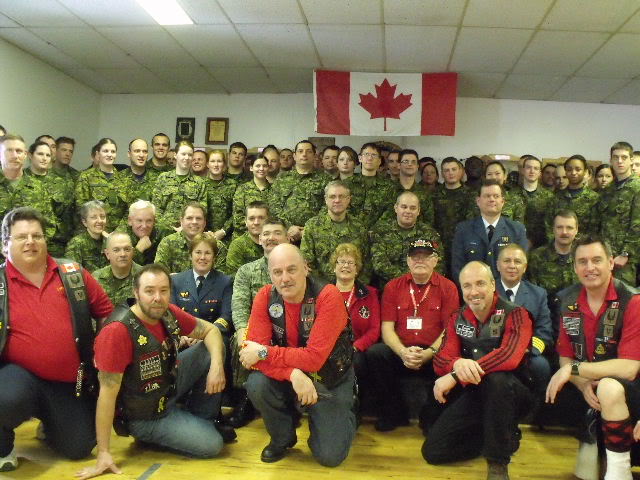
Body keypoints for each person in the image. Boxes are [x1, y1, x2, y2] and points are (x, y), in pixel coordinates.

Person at [77, 264, 229, 479]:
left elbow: (211, 330)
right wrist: (103, 453)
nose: (157, 297)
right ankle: (176, 428)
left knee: (212, 348)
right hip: (144, 415)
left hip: (167, 384)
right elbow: (107, 396)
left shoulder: (167, 313)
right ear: (136, 293)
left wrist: (216, 366)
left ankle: (199, 419)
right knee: (212, 445)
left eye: (164, 290)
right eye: (149, 291)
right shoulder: (117, 332)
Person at [0, 207, 113, 472]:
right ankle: (3, 446)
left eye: (36, 235)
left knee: (79, 448)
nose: (30, 242)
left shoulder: (72, 273)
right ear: (6, 244)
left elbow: (108, 313)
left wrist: (103, 349)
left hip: (67, 382)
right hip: (16, 377)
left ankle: (48, 422)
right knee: (5, 399)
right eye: (21, 237)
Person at [240, 244, 355, 466]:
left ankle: (348, 409)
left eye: (291, 270)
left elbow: (313, 359)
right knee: (256, 383)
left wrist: (264, 351)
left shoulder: (328, 295)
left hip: (330, 376)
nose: (285, 278)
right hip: (292, 374)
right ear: (270, 275)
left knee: (330, 457)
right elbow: (250, 356)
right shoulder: (265, 297)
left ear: (305, 268)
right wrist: (293, 374)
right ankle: (283, 437)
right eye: (277, 272)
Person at [423, 261, 533, 480]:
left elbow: (508, 357)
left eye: (480, 283)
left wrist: (455, 375)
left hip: (513, 394)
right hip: (476, 392)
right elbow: (441, 358)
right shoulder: (458, 317)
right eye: (467, 286)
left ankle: (498, 462)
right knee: (433, 452)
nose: (474, 292)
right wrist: (457, 364)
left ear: (493, 285)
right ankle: (500, 435)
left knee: (498, 380)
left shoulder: (517, 314)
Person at [546, 235, 640, 480]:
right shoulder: (567, 301)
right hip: (591, 389)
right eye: (583, 262)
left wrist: (575, 370)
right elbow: (565, 358)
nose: (590, 268)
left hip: (633, 389)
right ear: (575, 267)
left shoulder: (633, 300)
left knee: (609, 387)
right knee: (585, 474)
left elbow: (630, 367)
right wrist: (582, 382)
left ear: (610, 262)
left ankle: (620, 473)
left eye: (596, 260)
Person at [367, 238, 459, 431]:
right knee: (376, 354)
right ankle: (393, 413)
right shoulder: (393, 287)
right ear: (408, 261)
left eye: (425, 257)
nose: (420, 260)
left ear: (435, 260)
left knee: (449, 357)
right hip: (402, 351)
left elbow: (449, 330)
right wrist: (402, 352)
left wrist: (429, 353)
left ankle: (430, 416)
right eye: (415, 256)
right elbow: (387, 329)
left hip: (432, 353)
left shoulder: (448, 288)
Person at [228, 217, 290, 428]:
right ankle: (245, 399)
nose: (271, 238)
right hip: (256, 331)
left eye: (276, 233)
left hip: (290, 331)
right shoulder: (246, 271)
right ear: (259, 239)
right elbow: (239, 306)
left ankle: (287, 403)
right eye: (266, 234)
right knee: (241, 341)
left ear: (287, 238)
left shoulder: (296, 268)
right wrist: (243, 331)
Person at [496, 244, 553, 404]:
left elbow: (544, 331)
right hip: (492, 351)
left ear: (525, 267)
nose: (512, 266)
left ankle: (534, 410)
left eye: (517, 261)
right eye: (507, 261)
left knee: (541, 366)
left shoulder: (538, 294)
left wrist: (526, 349)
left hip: (526, 353)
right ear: (498, 265)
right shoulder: (486, 290)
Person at [331, 243, 380, 406]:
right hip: (330, 348)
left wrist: (355, 347)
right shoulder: (323, 292)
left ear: (357, 269)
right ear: (334, 267)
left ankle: (355, 406)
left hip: (357, 349)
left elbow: (374, 330)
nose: (345, 266)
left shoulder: (370, 294)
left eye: (350, 262)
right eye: (341, 261)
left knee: (356, 362)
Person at [451, 179, 528, 282]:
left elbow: (521, 268)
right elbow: (458, 269)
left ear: (502, 201)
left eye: (496, 196)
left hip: (506, 294)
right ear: (478, 201)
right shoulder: (463, 230)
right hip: (474, 293)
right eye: (487, 196)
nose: (492, 199)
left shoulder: (517, 230)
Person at [300, 180, 370, 283]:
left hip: (352, 288)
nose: (337, 200)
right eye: (332, 197)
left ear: (348, 199)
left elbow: (366, 262)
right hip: (321, 289)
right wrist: (321, 288)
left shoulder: (359, 227)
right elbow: (307, 263)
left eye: (341, 196)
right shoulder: (312, 226)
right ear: (326, 199)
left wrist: (357, 286)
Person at [372, 191, 444, 287]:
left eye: (413, 208)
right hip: (391, 287)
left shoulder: (429, 233)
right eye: (404, 207)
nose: (408, 211)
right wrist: (407, 279)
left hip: (423, 287)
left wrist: (417, 279)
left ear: (418, 211)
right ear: (396, 208)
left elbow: (438, 263)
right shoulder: (381, 231)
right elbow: (379, 264)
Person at [596, 141, 640, 286]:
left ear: (631, 160)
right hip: (605, 255)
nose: (619, 161)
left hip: (625, 260)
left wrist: (626, 254)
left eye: (624, 157)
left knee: (623, 300)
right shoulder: (608, 189)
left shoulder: (637, 188)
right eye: (616, 157)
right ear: (610, 161)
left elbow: (637, 225)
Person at [171, 233, 233, 336]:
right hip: (182, 338)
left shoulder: (225, 282)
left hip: (213, 339)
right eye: (198, 252)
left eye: (208, 253)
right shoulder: (176, 281)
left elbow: (226, 316)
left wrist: (204, 335)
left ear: (214, 257)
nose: (202, 257)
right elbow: (171, 316)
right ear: (190, 255)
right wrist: (182, 336)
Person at [527, 210, 580, 329]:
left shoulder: (584, 257)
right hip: (547, 322)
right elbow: (533, 295)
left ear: (576, 230)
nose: (564, 232)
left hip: (580, 322)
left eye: (569, 228)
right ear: (553, 229)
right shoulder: (537, 257)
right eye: (560, 227)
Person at [268, 140, 328, 243]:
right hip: (285, 235)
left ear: (314, 156)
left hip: (314, 236)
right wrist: (289, 227)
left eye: (308, 151)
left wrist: (307, 230)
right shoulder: (282, 178)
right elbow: (274, 206)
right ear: (295, 156)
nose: (304, 154)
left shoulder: (325, 179)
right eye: (300, 151)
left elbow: (327, 207)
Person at [152, 140, 209, 233]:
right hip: (163, 232)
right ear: (175, 155)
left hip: (190, 232)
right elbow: (156, 208)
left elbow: (202, 211)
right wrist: (169, 228)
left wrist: (185, 228)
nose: (186, 158)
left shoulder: (199, 183)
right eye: (183, 154)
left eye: (190, 155)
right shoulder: (163, 178)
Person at [154, 202, 227, 274]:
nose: (194, 222)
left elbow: (222, 280)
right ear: (181, 221)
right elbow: (158, 275)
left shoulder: (217, 246)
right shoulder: (168, 243)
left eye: (198, 218)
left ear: (204, 222)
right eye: (189, 218)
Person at [432, 157, 475, 276]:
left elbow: (472, 223)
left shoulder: (471, 194)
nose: (450, 173)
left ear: (460, 171)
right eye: (446, 170)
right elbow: (430, 222)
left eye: (453, 169)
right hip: (440, 247)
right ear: (442, 173)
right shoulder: (434, 194)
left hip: (463, 247)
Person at [75, 138, 126, 232]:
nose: (109, 154)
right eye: (105, 151)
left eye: (113, 151)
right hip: (93, 233)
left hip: (116, 235)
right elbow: (81, 209)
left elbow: (128, 210)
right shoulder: (87, 176)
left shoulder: (123, 179)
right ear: (98, 154)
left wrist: (118, 232)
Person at [342, 142, 395, 230]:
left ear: (379, 161)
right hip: (351, 231)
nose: (370, 158)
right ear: (360, 158)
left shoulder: (389, 186)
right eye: (366, 154)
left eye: (374, 155)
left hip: (379, 234)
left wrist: (376, 230)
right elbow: (342, 209)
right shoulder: (346, 184)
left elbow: (390, 212)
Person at [549, 155, 599, 239]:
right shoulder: (556, 198)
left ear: (585, 171)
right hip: (558, 247)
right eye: (569, 170)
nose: (573, 173)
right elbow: (549, 226)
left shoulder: (594, 199)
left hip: (583, 248)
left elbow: (595, 229)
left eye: (578, 169)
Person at [92, 232, 141, 307]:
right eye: (116, 250)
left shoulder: (144, 276)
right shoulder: (96, 278)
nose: (123, 254)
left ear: (132, 252)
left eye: (127, 249)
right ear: (107, 254)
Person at [519, 155, 555, 249]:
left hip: (542, 247)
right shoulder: (510, 195)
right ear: (522, 170)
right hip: (515, 245)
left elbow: (551, 225)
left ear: (540, 173)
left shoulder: (550, 197)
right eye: (528, 167)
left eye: (535, 168)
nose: (532, 171)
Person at [232, 154, 271, 238]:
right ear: (251, 168)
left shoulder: (274, 190)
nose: (261, 169)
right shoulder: (242, 189)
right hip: (244, 237)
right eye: (258, 166)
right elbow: (237, 218)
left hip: (268, 236)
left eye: (264, 166)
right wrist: (256, 230)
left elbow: (275, 215)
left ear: (268, 168)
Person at [65, 200, 108, 273]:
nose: (100, 221)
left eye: (102, 217)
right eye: (94, 217)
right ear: (84, 222)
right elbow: (72, 274)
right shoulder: (76, 244)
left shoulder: (110, 241)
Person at [113, 138, 159, 207]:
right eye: (137, 151)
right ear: (129, 154)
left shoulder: (158, 179)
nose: (141, 155)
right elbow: (114, 212)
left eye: (145, 151)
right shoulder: (118, 178)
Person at [226, 201, 268, 274]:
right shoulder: (238, 246)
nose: (256, 222)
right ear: (245, 221)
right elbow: (235, 280)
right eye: (252, 218)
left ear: (268, 220)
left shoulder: (276, 243)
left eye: (261, 218)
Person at [117, 200, 164, 266]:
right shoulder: (121, 239)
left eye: (149, 221)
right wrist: (138, 250)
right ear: (130, 221)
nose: (144, 226)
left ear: (154, 221)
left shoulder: (162, 236)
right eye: (139, 221)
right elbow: (121, 268)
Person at [206, 149, 237, 243]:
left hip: (227, 236)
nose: (216, 165)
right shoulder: (200, 185)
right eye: (212, 161)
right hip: (205, 235)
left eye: (219, 161)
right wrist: (206, 231)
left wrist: (224, 231)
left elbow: (237, 211)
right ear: (207, 164)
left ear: (224, 164)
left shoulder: (233, 185)